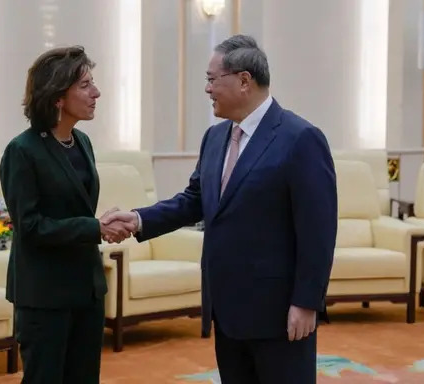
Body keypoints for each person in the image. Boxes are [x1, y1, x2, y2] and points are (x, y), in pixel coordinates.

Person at [102, 35, 337, 383]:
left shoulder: (300, 138)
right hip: (227, 311)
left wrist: (306, 302)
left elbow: (318, 231)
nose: (208, 89)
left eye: (212, 80)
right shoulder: (215, 138)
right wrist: (139, 219)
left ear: (244, 81)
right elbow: (193, 200)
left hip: (278, 314)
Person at [0, 46, 135, 384]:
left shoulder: (83, 142)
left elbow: (74, 210)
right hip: (44, 295)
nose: (96, 92)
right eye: (86, 85)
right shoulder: (22, 151)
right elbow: (30, 227)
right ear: (59, 96)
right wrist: (93, 227)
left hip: (86, 289)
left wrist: (99, 224)